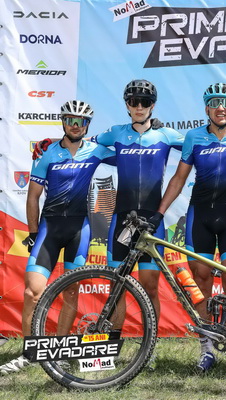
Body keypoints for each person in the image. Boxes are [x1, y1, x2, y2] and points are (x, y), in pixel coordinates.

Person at [32, 80, 184, 330]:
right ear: (127, 105)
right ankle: (112, 342)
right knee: (117, 285)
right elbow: (80, 140)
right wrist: (49, 141)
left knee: (150, 286)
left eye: (144, 102)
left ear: (152, 106)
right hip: (121, 219)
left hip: (152, 220)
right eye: (134, 102)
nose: (139, 107)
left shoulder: (165, 135)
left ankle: (152, 343)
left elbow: (201, 142)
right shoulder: (115, 133)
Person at [150, 83, 226, 380]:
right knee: (200, 280)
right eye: (214, 102)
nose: (220, 107)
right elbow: (179, 178)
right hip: (200, 215)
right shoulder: (194, 136)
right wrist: (159, 212)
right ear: (207, 108)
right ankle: (207, 347)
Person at [0, 101, 115, 374]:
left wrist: (149, 130)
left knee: (71, 291)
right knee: (32, 292)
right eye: (70, 120)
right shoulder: (47, 153)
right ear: (63, 122)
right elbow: (33, 196)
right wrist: (32, 233)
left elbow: (128, 152)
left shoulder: (96, 150)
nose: (75, 125)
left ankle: (60, 352)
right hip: (49, 229)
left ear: (87, 125)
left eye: (81, 121)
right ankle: (30, 352)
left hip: (79, 230)